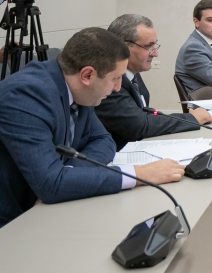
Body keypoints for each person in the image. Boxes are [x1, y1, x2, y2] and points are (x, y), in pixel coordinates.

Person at [0, 28, 185, 228]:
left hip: (53, 210)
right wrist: (140, 174)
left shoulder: (78, 88)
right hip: (15, 224)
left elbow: (104, 140)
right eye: (115, 78)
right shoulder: (24, 95)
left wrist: (67, 175)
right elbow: (50, 184)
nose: (117, 88)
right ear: (87, 75)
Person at [96, 14, 212, 151]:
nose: (155, 53)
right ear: (122, 47)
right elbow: (139, 126)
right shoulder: (108, 82)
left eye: (155, 44)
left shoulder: (133, 71)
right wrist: (191, 119)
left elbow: (143, 115)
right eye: (148, 46)